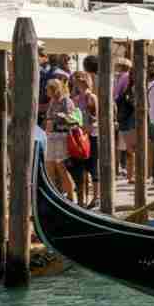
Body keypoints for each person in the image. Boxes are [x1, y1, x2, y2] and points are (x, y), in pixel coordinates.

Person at [42, 78, 79, 199]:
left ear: (54, 89)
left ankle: (70, 195)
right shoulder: (52, 101)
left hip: (61, 136)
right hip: (51, 137)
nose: (46, 91)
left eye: (47, 89)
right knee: (49, 166)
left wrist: (57, 122)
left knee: (61, 167)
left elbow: (73, 121)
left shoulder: (66, 101)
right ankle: (55, 195)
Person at [66, 71, 99, 207]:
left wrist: (87, 128)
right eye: (75, 81)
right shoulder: (75, 98)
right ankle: (83, 198)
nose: (76, 83)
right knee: (82, 168)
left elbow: (95, 117)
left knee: (92, 166)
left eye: (78, 80)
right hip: (80, 136)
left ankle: (96, 196)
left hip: (90, 135)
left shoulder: (91, 97)